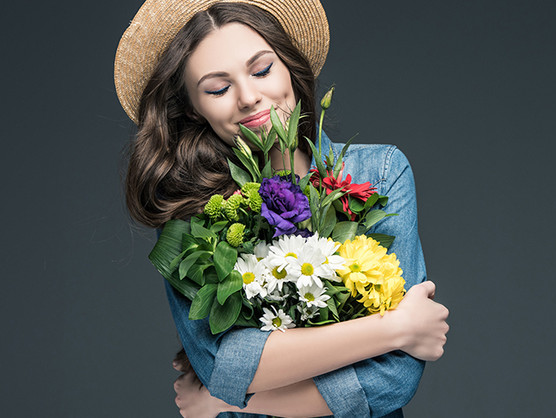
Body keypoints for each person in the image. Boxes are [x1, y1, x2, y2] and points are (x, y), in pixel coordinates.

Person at [115, 1, 449, 416]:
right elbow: (222, 364)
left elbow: (393, 379)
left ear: (289, 65)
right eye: (217, 89)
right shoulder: (191, 210)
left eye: (262, 70)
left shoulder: (378, 173)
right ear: (192, 108)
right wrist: (396, 328)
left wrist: (225, 401)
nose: (249, 97)